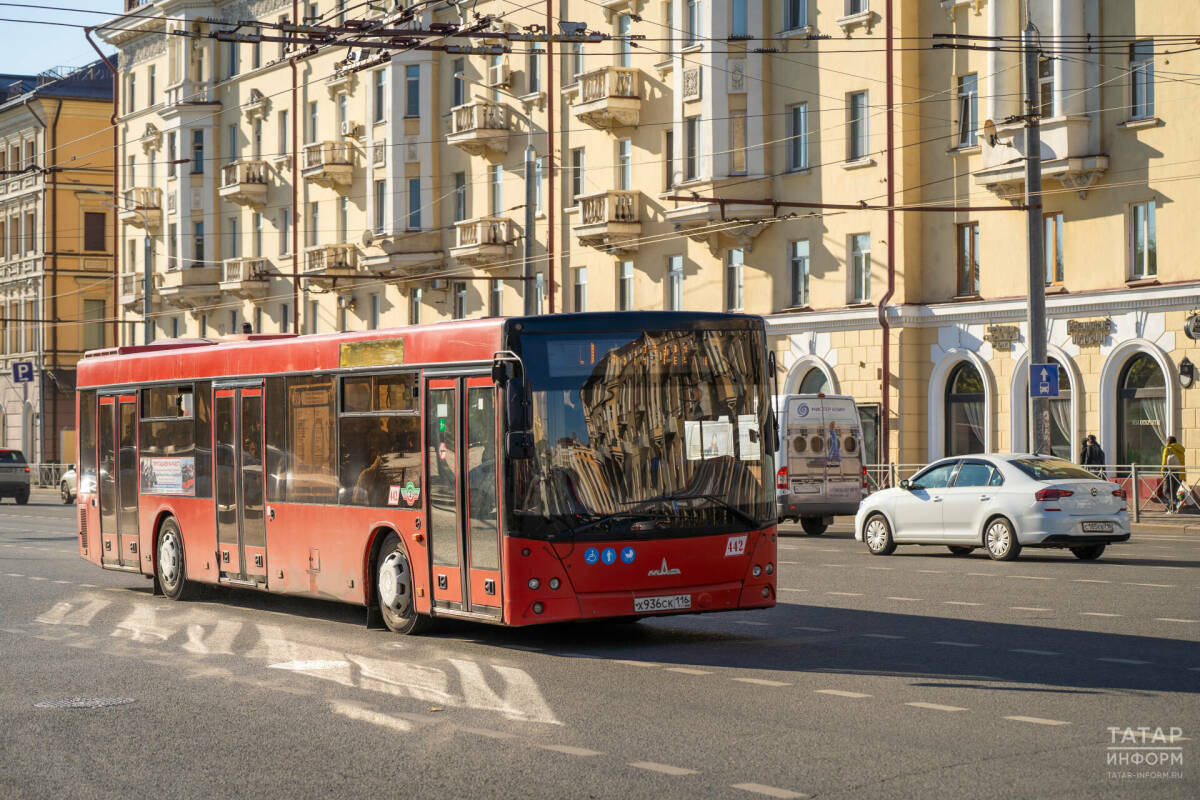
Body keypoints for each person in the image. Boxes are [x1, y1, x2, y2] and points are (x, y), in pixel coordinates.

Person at [1160, 435, 1186, 513]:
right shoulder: (1181, 450)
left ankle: (1176, 502)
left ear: (1168, 442)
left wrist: (1162, 472)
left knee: (1166, 491)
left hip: (1170, 473)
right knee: (1173, 493)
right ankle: (1172, 509)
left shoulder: (1168, 449)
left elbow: (1164, 462)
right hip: (1180, 473)